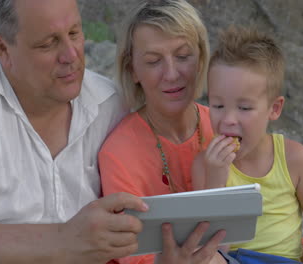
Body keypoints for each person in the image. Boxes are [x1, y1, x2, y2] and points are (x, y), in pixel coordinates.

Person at [0, 0, 155, 263]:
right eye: (48, 43)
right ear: (3, 48)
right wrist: (63, 240)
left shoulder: (111, 103)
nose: (71, 55)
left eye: (74, 33)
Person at [192, 26, 303, 264]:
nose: (228, 119)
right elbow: (210, 244)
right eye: (218, 105)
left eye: (244, 108)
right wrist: (216, 180)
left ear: (274, 109)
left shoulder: (294, 159)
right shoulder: (205, 164)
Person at [99, 1, 233, 263]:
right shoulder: (117, 154)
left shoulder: (225, 129)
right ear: (132, 69)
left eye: (183, 56)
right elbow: (132, 255)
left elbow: (273, 206)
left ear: (202, 58)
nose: (172, 74)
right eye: (153, 61)